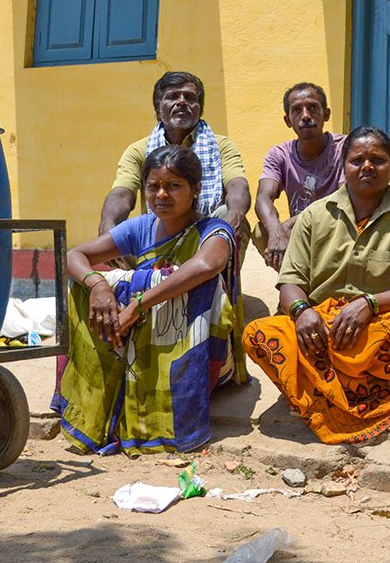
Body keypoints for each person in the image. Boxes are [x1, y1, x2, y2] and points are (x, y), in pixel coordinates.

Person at [243, 125, 390, 445]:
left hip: (379, 325)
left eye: (377, 160)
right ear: (343, 166)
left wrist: (369, 304)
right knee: (260, 334)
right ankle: (364, 402)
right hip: (321, 329)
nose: (367, 166)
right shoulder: (313, 216)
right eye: (358, 160)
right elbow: (291, 281)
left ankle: (322, 396)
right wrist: (301, 311)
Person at [55, 145, 237, 455]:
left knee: (197, 286)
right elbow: (74, 256)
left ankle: (171, 399)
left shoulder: (213, 230)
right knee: (84, 287)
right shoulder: (141, 227)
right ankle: (105, 395)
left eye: (174, 186)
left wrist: (140, 304)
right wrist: (97, 283)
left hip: (194, 346)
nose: (161, 195)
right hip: (134, 336)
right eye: (153, 187)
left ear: (195, 190)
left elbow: (207, 265)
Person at [98, 71, 251, 244]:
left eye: (190, 97)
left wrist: (234, 216)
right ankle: (147, 271)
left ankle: (216, 270)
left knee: (229, 215)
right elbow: (122, 194)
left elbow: (238, 185)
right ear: (158, 109)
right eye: (172, 96)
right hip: (157, 234)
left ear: (200, 109)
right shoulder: (138, 151)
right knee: (118, 232)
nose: (182, 102)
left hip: (206, 234)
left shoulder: (221, 146)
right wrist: (108, 223)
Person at [252, 82, 346, 270]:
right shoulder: (280, 154)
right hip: (299, 233)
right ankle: (293, 281)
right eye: (297, 110)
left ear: (326, 114)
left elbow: (344, 198)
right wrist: (276, 233)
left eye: (313, 108)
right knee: (262, 232)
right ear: (288, 120)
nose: (305, 116)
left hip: (336, 229)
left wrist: (293, 222)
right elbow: (263, 197)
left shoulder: (345, 147)